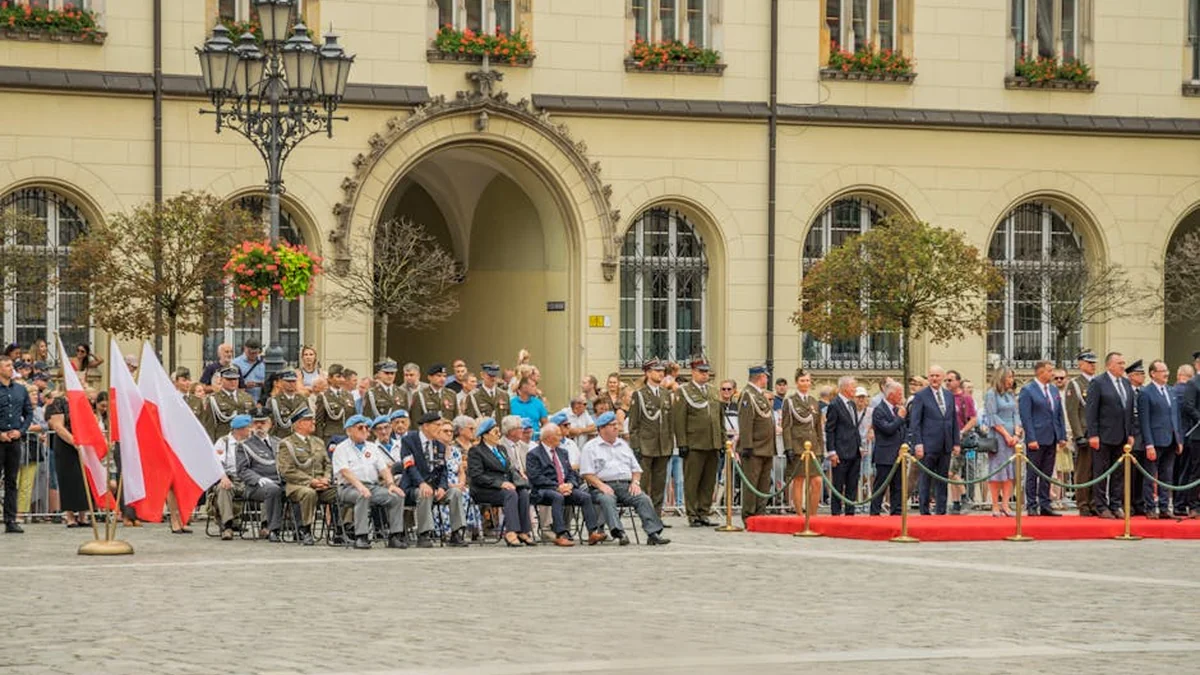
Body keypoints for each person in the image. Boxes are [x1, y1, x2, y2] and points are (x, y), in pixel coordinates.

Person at [580, 411, 670, 545]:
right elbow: (587, 473)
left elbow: (636, 469)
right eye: (612, 425)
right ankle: (619, 532)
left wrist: (635, 482)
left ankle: (653, 533)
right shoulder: (590, 447)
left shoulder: (623, 445)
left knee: (643, 498)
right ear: (602, 428)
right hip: (600, 486)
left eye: (616, 424)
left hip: (625, 485)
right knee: (607, 499)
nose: (616, 427)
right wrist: (601, 485)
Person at [329, 415, 407, 550]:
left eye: (366, 427)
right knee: (362, 496)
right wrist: (360, 487)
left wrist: (391, 484)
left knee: (396, 496)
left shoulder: (372, 447)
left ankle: (395, 535)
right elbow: (345, 472)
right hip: (348, 487)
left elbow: (383, 469)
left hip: (372, 486)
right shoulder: (341, 448)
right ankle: (361, 536)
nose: (365, 430)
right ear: (349, 431)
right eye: (360, 427)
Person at [398, 412, 467, 547]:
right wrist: (421, 483)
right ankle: (424, 534)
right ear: (426, 426)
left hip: (435, 487)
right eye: (437, 425)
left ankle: (456, 532)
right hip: (414, 487)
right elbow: (409, 465)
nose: (440, 428)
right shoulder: (409, 440)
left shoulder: (439, 445)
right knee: (425, 493)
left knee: (456, 493)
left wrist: (442, 487)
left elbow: (443, 469)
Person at [526, 422, 601, 546]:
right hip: (543, 490)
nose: (561, 437)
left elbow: (571, 473)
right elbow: (536, 477)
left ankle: (592, 532)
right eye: (558, 434)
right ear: (549, 437)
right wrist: (557, 487)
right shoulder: (534, 454)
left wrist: (570, 484)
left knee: (585, 497)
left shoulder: (563, 452)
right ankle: (560, 534)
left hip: (565, 488)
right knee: (557, 496)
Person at [468, 417, 536, 547]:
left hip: (504, 487)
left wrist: (517, 478)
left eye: (498, 431)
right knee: (510, 494)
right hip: (485, 489)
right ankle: (511, 531)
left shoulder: (501, 449)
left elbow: (508, 468)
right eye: (495, 432)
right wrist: (500, 484)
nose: (498, 435)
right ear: (485, 435)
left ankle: (523, 531)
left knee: (522, 492)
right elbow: (477, 475)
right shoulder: (476, 451)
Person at [673, 358, 723, 527]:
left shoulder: (713, 391)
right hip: (694, 442)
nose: (705, 375)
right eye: (701, 372)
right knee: (692, 480)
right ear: (693, 372)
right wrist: (682, 443)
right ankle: (692, 513)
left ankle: (704, 511)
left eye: (706, 372)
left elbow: (719, 418)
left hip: (712, 442)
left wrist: (721, 441)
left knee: (709, 481)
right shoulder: (684, 391)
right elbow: (679, 419)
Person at [1085, 352, 1135, 519]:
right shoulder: (1098, 383)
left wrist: (1130, 433)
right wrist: (1093, 434)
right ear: (1109, 365)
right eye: (1119, 363)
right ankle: (1100, 505)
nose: (1123, 366)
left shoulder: (1126, 383)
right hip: (1103, 435)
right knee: (1101, 472)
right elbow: (1091, 411)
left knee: (1119, 473)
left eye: (1123, 363)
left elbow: (1129, 411)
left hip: (1122, 436)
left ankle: (1116, 504)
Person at [278, 407, 339, 545]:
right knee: (308, 493)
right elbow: (287, 471)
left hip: (321, 485)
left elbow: (327, 464)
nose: (313, 422)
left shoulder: (318, 441)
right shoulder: (287, 444)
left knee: (342, 492)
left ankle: (341, 529)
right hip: (297, 485)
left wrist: (326, 478)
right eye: (308, 420)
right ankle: (304, 529)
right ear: (299, 424)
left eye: (312, 419)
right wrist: (311, 481)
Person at [1018, 360, 1067, 517]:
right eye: (1049, 371)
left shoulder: (1053, 390)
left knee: (1047, 472)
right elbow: (1026, 417)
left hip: (1052, 436)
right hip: (1036, 438)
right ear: (1040, 372)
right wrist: (1031, 438)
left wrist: (1062, 435)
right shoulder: (1028, 390)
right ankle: (1032, 504)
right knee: (1033, 473)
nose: (1052, 374)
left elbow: (1059, 414)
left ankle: (1045, 504)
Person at [910, 365, 961, 515]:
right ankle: (924, 511)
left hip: (945, 444)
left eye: (937, 376)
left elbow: (953, 420)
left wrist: (956, 442)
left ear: (942, 377)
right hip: (927, 445)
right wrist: (918, 443)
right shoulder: (921, 396)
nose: (934, 378)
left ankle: (941, 510)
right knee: (925, 479)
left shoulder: (948, 395)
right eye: (931, 375)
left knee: (942, 479)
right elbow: (915, 422)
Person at [628, 359, 674, 515]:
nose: (661, 373)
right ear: (648, 373)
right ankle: (645, 514)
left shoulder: (666, 394)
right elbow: (633, 425)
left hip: (663, 445)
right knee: (645, 483)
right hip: (646, 445)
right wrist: (636, 446)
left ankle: (656, 514)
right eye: (657, 371)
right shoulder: (639, 395)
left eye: (662, 371)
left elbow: (669, 421)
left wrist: (670, 444)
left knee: (659, 484)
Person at [1139, 360, 1182, 519]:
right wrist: (1149, 444)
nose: (1166, 373)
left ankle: (1164, 507)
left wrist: (1179, 439)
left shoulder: (1171, 391)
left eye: (1166, 370)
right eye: (1162, 371)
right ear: (1153, 373)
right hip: (1155, 441)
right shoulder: (1146, 393)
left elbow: (1176, 417)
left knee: (1167, 476)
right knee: (1150, 476)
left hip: (1171, 440)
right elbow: (1144, 421)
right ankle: (1150, 507)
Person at [235, 410, 285, 541]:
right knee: (273, 490)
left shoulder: (279, 442)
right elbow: (242, 470)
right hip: (256, 486)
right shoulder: (245, 445)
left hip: (280, 480)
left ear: (270, 424)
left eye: (263, 422)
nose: (259, 426)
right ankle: (273, 529)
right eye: (256, 423)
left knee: (301, 490)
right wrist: (258, 478)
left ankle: (302, 529)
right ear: (251, 425)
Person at [782, 368, 824, 518]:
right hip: (798, 446)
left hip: (813, 447)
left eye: (807, 380)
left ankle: (812, 515)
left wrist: (821, 448)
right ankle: (800, 515)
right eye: (802, 380)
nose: (805, 383)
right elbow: (786, 426)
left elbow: (818, 427)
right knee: (799, 480)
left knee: (817, 481)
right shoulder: (790, 401)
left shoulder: (813, 402)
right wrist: (788, 447)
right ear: (796, 382)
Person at [737, 364, 776, 524]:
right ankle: (749, 515)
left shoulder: (759, 395)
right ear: (761, 377)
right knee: (751, 484)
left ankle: (760, 514)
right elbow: (745, 421)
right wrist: (746, 445)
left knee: (763, 484)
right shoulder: (748, 395)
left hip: (766, 447)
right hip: (754, 448)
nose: (767, 380)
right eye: (766, 377)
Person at [0, 356, 33, 533]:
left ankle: (10, 519)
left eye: (11, 365)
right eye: (7, 365)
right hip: (0, 438)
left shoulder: (20, 390)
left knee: (12, 480)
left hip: (14, 440)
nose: (10, 368)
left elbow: (28, 413)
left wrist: (21, 431)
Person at [1063, 350, 1098, 515]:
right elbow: (1073, 412)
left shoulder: (1097, 382)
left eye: (1094, 363)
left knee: (1097, 471)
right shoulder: (1075, 384)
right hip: (1084, 432)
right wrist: (1078, 435)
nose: (1093, 366)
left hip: (1097, 433)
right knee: (1084, 470)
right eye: (1089, 363)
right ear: (1080, 364)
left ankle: (1094, 502)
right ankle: (1083, 503)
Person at [983, 367, 1019, 517]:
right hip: (998, 436)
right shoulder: (991, 394)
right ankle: (995, 505)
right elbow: (992, 416)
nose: (1011, 380)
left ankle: (1006, 504)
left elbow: (1016, 414)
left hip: (1013, 436)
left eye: (1012, 377)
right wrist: (1006, 435)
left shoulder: (1010, 395)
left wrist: (1016, 433)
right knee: (997, 470)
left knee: (1011, 471)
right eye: (1009, 377)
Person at [824, 376, 863, 516]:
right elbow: (830, 429)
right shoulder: (835, 405)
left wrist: (859, 445)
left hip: (854, 451)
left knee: (852, 485)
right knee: (838, 485)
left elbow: (854, 427)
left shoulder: (852, 404)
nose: (855, 389)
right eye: (853, 387)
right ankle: (836, 513)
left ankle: (850, 513)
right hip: (840, 452)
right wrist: (832, 452)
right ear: (845, 388)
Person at [210, 414, 253, 540]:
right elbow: (216, 464)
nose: (251, 430)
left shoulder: (252, 442)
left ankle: (266, 526)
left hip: (249, 479)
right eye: (248, 427)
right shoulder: (224, 442)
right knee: (223, 488)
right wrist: (223, 477)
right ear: (239, 429)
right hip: (231, 478)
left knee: (270, 488)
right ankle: (227, 526)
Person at [870, 381, 907, 516]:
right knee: (881, 485)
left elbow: (904, 429)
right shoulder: (879, 410)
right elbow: (888, 429)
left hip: (899, 454)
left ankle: (896, 512)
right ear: (891, 395)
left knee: (898, 486)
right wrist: (900, 418)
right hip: (885, 454)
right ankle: (875, 512)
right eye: (899, 394)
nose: (901, 397)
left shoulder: (898, 409)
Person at [946, 370, 977, 514]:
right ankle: (956, 502)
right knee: (952, 472)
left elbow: (973, 419)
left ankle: (965, 496)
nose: (947, 383)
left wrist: (962, 431)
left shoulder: (965, 398)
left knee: (952, 471)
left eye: (950, 380)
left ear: (958, 381)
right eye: (946, 380)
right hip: (947, 439)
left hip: (961, 440)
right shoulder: (945, 397)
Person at [446, 416, 482, 537]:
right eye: (471, 429)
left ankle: (474, 528)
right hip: (455, 482)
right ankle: (459, 528)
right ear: (461, 430)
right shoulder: (454, 446)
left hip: (473, 480)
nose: (474, 431)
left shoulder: (476, 447)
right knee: (464, 493)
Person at [203, 366, 256, 441]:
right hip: (225, 440)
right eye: (229, 379)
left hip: (245, 440)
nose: (233, 382)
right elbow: (209, 426)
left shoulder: (247, 397)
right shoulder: (214, 399)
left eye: (235, 379)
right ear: (221, 380)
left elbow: (253, 420)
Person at [1178, 351, 1200, 519]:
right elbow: (1188, 406)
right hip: (1197, 434)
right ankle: (1193, 505)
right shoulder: (1193, 383)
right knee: (1196, 470)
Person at [315, 364, 355, 441]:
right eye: (338, 377)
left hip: (348, 437)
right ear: (330, 378)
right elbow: (319, 422)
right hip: (331, 437)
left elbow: (353, 417)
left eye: (343, 377)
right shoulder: (324, 396)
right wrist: (320, 441)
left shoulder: (349, 395)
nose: (341, 379)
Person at [267, 370, 307, 440]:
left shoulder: (303, 399)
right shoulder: (274, 401)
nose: (291, 384)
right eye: (288, 381)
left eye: (293, 381)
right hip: (280, 437)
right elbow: (270, 422)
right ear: (282, 382)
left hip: (299, 436)